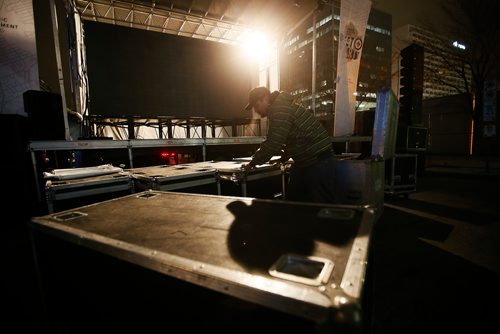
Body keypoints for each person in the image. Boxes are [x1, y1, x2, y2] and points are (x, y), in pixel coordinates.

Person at [242, 86, 337, 204]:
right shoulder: (280, 108)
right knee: (294, 201)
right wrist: (284, 157)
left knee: (323, 204)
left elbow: (274, 141)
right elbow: (291, 136)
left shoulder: (280, 110)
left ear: (265, 98)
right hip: (307, 160)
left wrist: (253, 162)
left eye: (256, 106)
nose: (256, 110)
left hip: (317, 160)